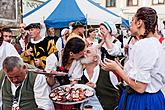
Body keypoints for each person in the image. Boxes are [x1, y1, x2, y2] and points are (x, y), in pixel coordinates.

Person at [101, 7, 165, 110]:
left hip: (142, 101)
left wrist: (117, 69)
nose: (130, 26)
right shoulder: (154, 43)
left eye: (132, 22)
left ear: (139, 23)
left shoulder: (145, 44)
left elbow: (140, 87)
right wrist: (120, 67)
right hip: (151, 98)